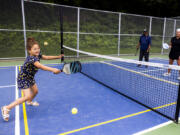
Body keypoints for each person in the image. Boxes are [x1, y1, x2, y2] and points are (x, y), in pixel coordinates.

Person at [1, 37, 64, 121]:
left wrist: (58, 57)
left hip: (30, 77)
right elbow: (41, 66)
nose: (37, 50)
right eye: (35, 49)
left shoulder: (37, 55)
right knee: (26, 96)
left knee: (35, 91)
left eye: (38, 48)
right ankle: (7, 108)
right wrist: (53, 70)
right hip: (23, 78)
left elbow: (46, 57)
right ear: (29, 50)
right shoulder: (32, 59)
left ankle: (29, 102)